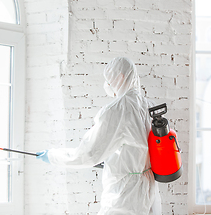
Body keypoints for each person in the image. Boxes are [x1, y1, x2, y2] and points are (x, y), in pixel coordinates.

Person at [36, 57, 161, 214]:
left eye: (109, 79)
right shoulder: (149, 105)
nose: (107, 85)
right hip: (149, 193)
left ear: (121, 77)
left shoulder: (117, 109)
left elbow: (88, 154)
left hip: (124, 197)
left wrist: (53, 156)